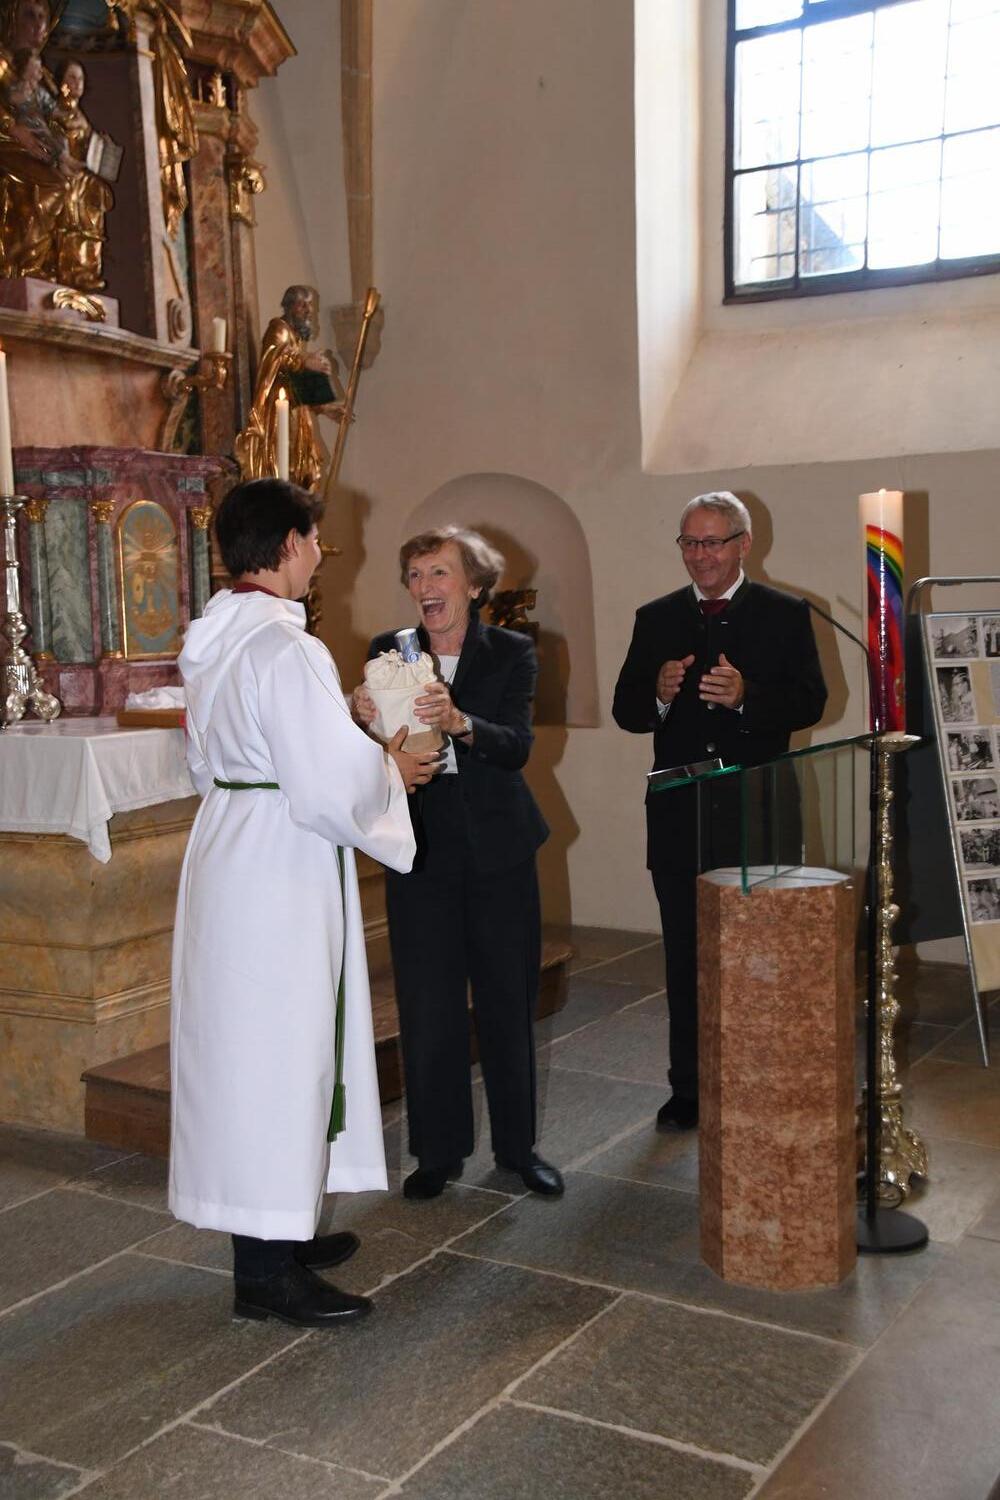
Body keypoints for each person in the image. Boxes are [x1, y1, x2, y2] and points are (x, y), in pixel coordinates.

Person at [169, 477, 440, 1329]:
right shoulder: (286, 647)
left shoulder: (213, 637)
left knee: (258, 1049)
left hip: (236, 842)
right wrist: (390, 772)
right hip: (278, 863)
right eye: (315, 539)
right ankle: (264, 1274)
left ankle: (279, 1233)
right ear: (287, 544)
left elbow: (214, 759)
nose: (322, 553)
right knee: (276, 1054)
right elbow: (325, 784)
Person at [352, 525, 563, 1199]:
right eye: (415, 575)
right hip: (418, 849)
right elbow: (374, 748)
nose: (425, 587)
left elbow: (517, 746)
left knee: (507, 1000)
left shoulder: (511, 651)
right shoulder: (389, 650)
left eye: (439, 573)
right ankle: (437, 1154)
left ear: (473, 585)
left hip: (498, 848)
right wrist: (356, 715)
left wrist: (460, 722)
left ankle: (518, 1149)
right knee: (427, 1005)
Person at [612, 492, 827, 1131]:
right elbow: (626, 710)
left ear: (743, 544)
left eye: (713, 542)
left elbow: (811, 702)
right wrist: (656, 694)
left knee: (760, 953)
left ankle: (761, 1077)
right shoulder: (655, 618)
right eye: (690, 542)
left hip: (757, 810)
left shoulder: (786, 614)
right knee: (686, 954)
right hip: (679, 813)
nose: (700, 555)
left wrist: (746, 698)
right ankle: (690, 1086)